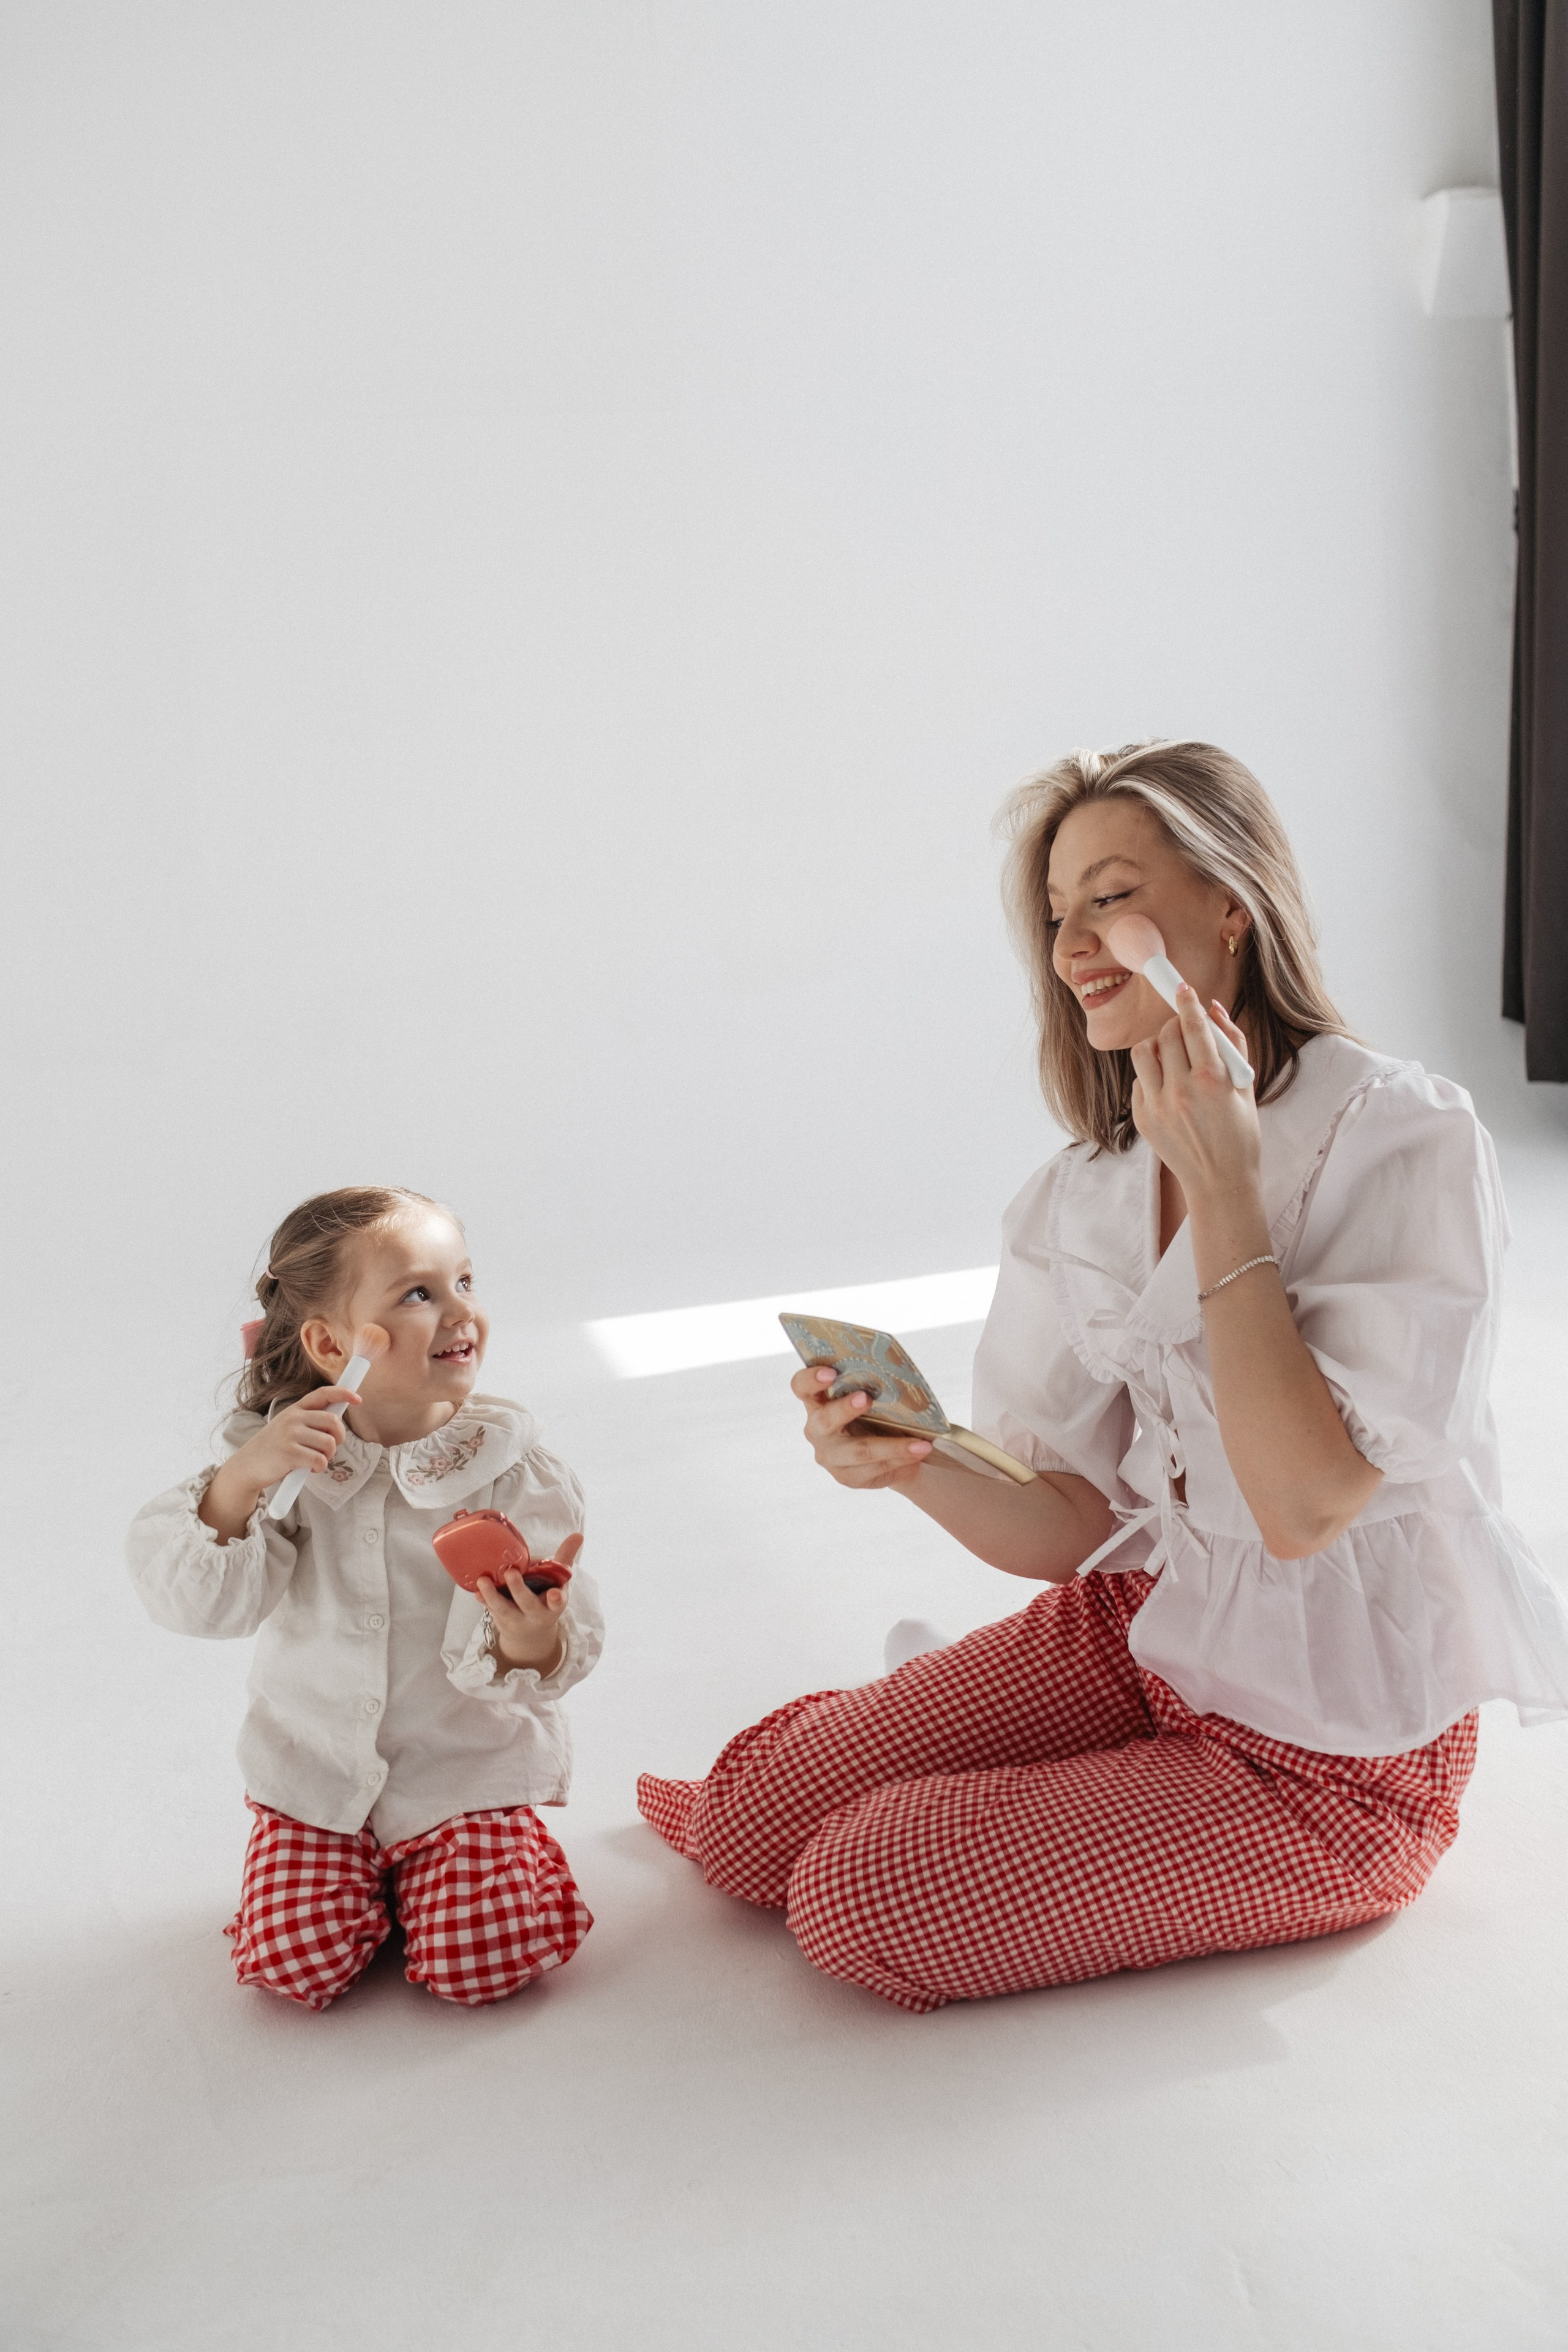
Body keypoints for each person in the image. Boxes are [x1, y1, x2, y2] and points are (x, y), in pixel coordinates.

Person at [638, 739, 1568, 2013]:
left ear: (1229, 904)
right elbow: (1069, 1521)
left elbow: (1302, 1507)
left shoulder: (1401, 1136)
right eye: (1055, 913)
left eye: (1111, 897)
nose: (1072, 943)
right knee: (743, 1833)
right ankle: (993, 1751)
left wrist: (1228, 1188)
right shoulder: (1084, 1189)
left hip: (1327, 1759)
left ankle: (1018, 1786)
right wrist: (913, 1456)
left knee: (855, 1897)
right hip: (1145, 1631)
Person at [129, 1186, 604, 2010]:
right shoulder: (284, 1466)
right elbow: (204, 1606)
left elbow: (555, 1625)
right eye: (419, 1293)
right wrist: (245, 1479)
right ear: (329, 1341)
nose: (460, 1312)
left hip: (462, 1772)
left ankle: (473, 1861)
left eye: (464, 1281)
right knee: (290, 1968)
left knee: (487, 1965)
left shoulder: (511, 1468)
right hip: (315, 1775)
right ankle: (357, 1881)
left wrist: (531, 1642)